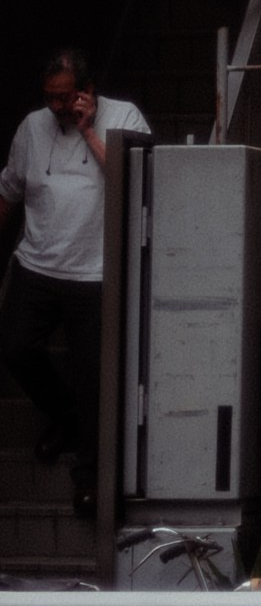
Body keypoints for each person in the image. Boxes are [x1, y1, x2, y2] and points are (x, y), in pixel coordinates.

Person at [0, 47, 149, 515]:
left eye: (66, 99)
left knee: (95, 378)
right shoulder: (31, 127)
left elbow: (136, 181)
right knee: (15, 349)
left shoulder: (124, 118)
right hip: (36, 264)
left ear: (87, 91)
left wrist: (87, 131)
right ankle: (62, 415)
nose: (57, 108)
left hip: (96, 270)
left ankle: (89, 479)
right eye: (51, 99)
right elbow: (9, 190)